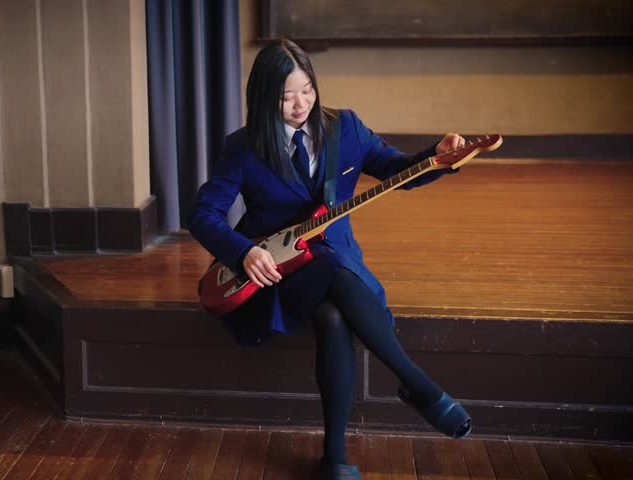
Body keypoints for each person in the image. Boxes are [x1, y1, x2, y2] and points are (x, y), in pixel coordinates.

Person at [188, 39, 472, 480]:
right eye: (286, 96)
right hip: (273, 271)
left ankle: (335, 457)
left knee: (334, 316)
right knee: (327, 267)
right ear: (264, 97)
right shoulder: (243, 147)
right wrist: (244, 252)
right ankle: (419, 386)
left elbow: (399, 169)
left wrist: (441, 157)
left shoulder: (346, 128)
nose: (300, 104)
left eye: (307, 90)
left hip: (334, 265)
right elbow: (202, 215)